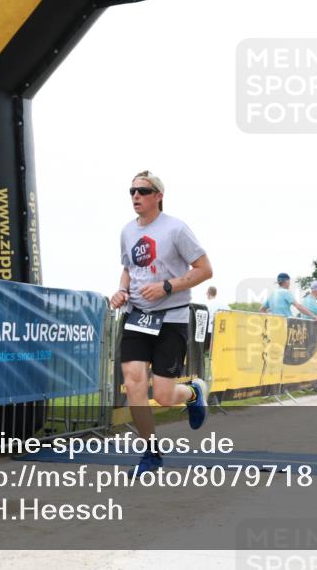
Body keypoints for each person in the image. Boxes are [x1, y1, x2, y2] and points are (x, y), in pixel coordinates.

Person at [109, 171, 213, 475]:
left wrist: (167, 286)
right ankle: (151, 454)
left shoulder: (176, 229)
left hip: (172, 316)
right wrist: (121, 291)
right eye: (132, 191)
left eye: (143, 190)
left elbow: (205, 269)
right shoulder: (127, 231)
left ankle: (193, 392)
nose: (136, 196)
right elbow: (128, 269)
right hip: (137, 315)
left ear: (159, 196)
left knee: (164, 396)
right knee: (133, 382)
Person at [204, 286, 227, 353]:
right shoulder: (224, 305)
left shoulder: (207, 305)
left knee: (203, 350)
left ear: (208, 294)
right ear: (216, 294)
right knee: (217, 352)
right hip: (221, 331)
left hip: (209, 331)